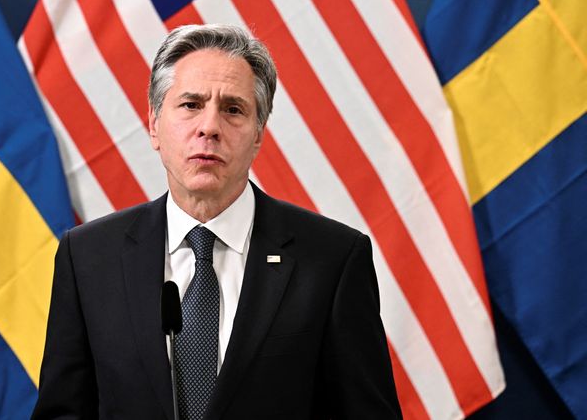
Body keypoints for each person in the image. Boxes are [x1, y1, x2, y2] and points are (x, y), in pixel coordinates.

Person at [31, 24, 401, 419]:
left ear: (258, 134)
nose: (209, 127)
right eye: (191, 105)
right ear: (154, 125)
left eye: (233, 109)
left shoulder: (332, 259)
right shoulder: (89, 257)